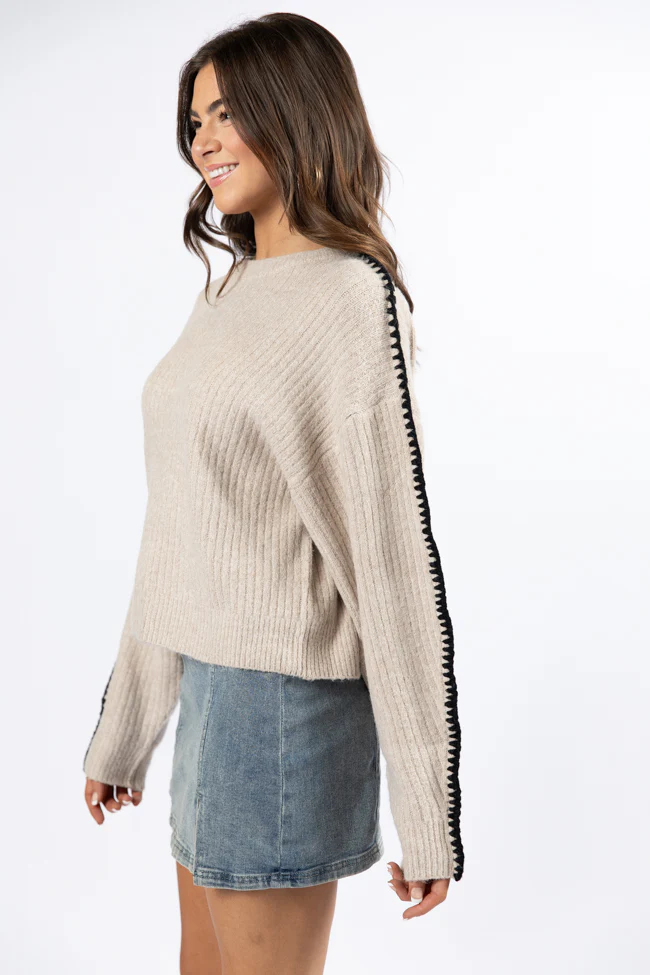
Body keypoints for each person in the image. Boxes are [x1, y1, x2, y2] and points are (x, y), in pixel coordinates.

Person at [82, 12, 464, 973]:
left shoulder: (350, 297)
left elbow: (390, 563)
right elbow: (180, 532)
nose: (203, 139)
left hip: (287, 713)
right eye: (195, 119)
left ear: (294, 109)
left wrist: (428, 808)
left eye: (227, 112)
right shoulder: (227, 291)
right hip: (209, 696)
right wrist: (125, 730)